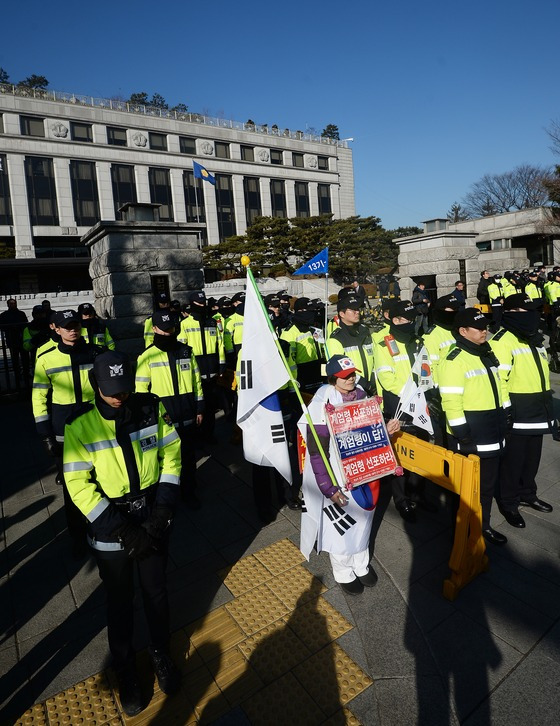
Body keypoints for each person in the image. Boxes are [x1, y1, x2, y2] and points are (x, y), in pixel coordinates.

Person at [63, 350, 182, 716]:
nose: (119, 397)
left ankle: (160, 652)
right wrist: (123, 531)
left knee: (156, 592)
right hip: (111, 526)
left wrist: (161, 511)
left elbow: (172, 454)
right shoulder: (79, 425)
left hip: (152, 516)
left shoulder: (150, 407)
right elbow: (79, 486)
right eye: (111, 390)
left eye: (124, 388)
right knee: (119, 601)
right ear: (95, 386)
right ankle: (126, 667)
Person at [300, 354, 400, 594]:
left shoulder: (363, 395)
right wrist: (329, 488)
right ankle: (343, 569)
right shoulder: (322, 401)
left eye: (352, 374)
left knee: (364, 519)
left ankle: (361, 563)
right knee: (341, 524)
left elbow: (371, 434)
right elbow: (316, 451)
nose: (350, 380)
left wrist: (385, 430)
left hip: (364, 472)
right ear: (333, 378)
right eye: (344, 377)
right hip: (338, 474)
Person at [32, 309, 104, 556]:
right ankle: (77, 535)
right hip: (65, 432)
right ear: (57, 329)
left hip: (96, 427)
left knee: (102, 479)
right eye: (67, 326)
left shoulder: (96, 353)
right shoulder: (45, 357)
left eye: (76, 325)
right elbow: (39, 397)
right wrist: (45, 434)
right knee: (73, 486)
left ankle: (103, 526)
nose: (73, 330)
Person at [438, 308, 507, 546]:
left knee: (487, 486)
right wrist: (463, 436)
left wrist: (506, 412)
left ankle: (481, 526)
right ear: (463, 331)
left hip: (493, 429)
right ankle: (468, 531)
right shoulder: (454, 360)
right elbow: (451, 403)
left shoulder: (485, 352)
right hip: (472, 436)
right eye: (479, 328)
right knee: (470, 490)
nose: (484, 331)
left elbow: (500, 385)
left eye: (485, 326)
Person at [490, 293, 554, 528]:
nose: (530, 316)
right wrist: (507, 410)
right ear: (511, 313)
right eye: (524, 311)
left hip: (538, 407)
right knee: (512, 461)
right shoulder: (503, 340)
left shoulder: (532, 338)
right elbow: (500, 380)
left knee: (532, 458)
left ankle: (528, 493)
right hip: (517, 409)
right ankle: (509, 502)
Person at [374, 300, 437, 521]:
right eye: (403, 319)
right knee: (399, 456)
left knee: (419, 452)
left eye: (411, 319)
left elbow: (426, 370)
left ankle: (417, 494)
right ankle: (401, 500)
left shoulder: (417, 341)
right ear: (394, 319)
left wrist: (427, 393)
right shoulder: (384, 344)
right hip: (397, 407)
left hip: (420, 406)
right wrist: (412, 395)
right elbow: (386, 378)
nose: (408, 323)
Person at [136, 310, 204, 507]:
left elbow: (196, 381)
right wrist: (148, 419)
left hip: (188, 413)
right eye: (163, 329)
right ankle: (166, 499)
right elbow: (141, 392)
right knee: (165, 460)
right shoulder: (146, 356)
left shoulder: (186, 351)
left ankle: (189, 493)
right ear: (154, 329)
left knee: (189, 458)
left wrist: (200, 408)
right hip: (163, 418)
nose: (168, 333)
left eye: (171, 329)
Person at [177, 290, 225, 443]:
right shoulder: (184, 324)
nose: (202, 306)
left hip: (212, 372)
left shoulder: (212, 322)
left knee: (210, 407)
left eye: (203, 303)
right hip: (194, 373)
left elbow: (220, 344)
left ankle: (209, 435)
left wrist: (221, 366)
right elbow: (181, 350)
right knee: (197, 408)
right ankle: (197, 437)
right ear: (192, 305)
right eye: (198, 304)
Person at [327, 295, 376, 395]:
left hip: (374, 384)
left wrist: (374, 378)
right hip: (352, 388)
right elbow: (338, 368)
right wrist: (363, 383)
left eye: (357, 309)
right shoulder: (336, 338)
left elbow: (375, 356)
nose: (357, 312)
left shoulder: (365, 331)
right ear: (342, 314)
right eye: (353, 310)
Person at [0, 298, 29, 387]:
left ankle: (26, 374)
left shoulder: (21, 314)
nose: (13, 305)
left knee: (25, 359)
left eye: (14, 303)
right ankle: (18, 374)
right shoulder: (4, 315)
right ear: (8, 305)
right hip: (12, 340)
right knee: (15, 359)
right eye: (11, 303)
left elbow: (25, 324)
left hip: (21, 339)